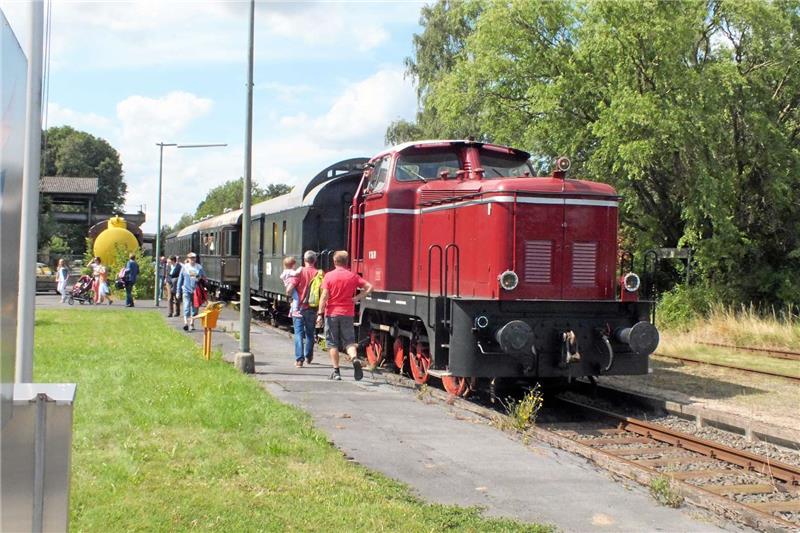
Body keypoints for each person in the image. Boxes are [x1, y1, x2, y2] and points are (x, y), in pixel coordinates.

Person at [316, 250, 373, 381]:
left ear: (335, 261)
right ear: (346, 262)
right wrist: (357, 297)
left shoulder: (329, 276)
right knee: (349, 342)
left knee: (332, 343)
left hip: (332, 314)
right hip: (348, 313)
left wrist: (320, 313)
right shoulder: (353, 276)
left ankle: (336, 372)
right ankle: (354, 359)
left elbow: (324, 296)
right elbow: (370, 287)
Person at [286, 251, 319, 368]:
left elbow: (289, 290)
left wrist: (293, 295)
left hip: (298, 309)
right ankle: (308, 356)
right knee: (310, 334)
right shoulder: (319, 274)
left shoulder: (300, 273)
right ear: (314, 261)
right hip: (312, 308)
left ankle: (299, 360)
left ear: (305, 260)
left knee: (298, 334)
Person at [176, 252, 205, 331]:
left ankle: (192, 323)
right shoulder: (185, 268)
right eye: (191, 258)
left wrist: (200, 278)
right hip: (186, 290)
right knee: (186, 306)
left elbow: (204, 278)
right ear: (188, 259)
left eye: (194, 258)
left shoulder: (199, 267)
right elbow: (180, 280)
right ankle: (186, 323)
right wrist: (178, 291)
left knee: (195, 308)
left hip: (196, 291)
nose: (193, 259)